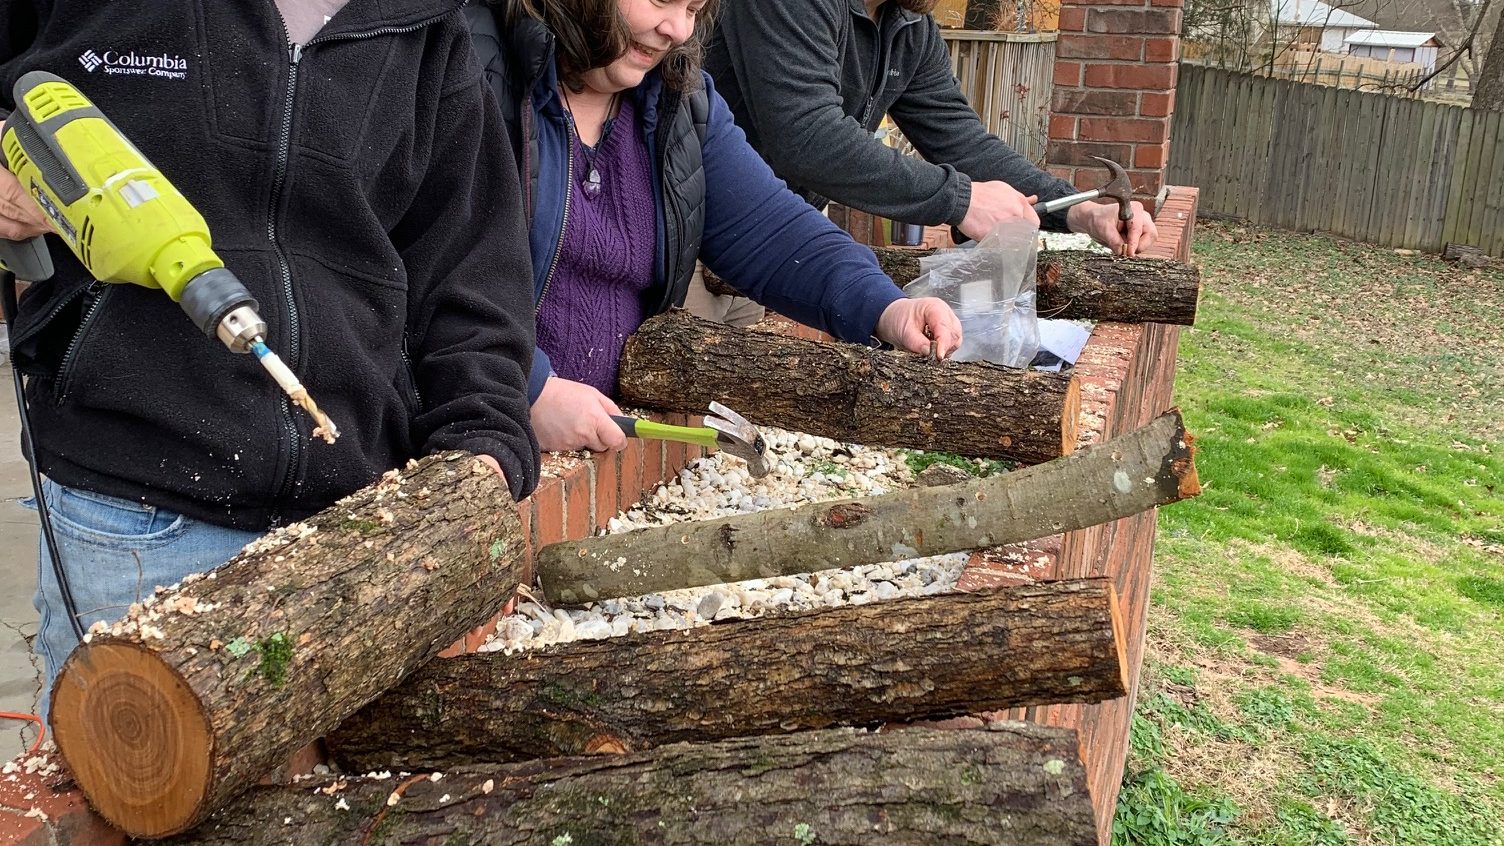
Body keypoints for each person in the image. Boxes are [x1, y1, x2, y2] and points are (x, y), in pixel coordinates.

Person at [0, 0, 539, 723]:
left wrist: (483, 440)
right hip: (130, 514)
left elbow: (474, 275)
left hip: (346, 528)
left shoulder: (428, 29)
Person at [466, 0, 963, 454]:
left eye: (693, 8)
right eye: (661, 1)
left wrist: (884, 304)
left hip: (596, 439)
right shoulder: (472, 69)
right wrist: (527, 387)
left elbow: (771, 229)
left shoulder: (681, 101)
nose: (677, 30)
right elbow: (426, 266)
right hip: (472, 439)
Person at [704, 0, 1160, 265]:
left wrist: (1082, 211)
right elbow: (807, 137)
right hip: (683, 225)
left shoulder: (909, 25)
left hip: (760, 235)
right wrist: (960, 200)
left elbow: (961, 141)